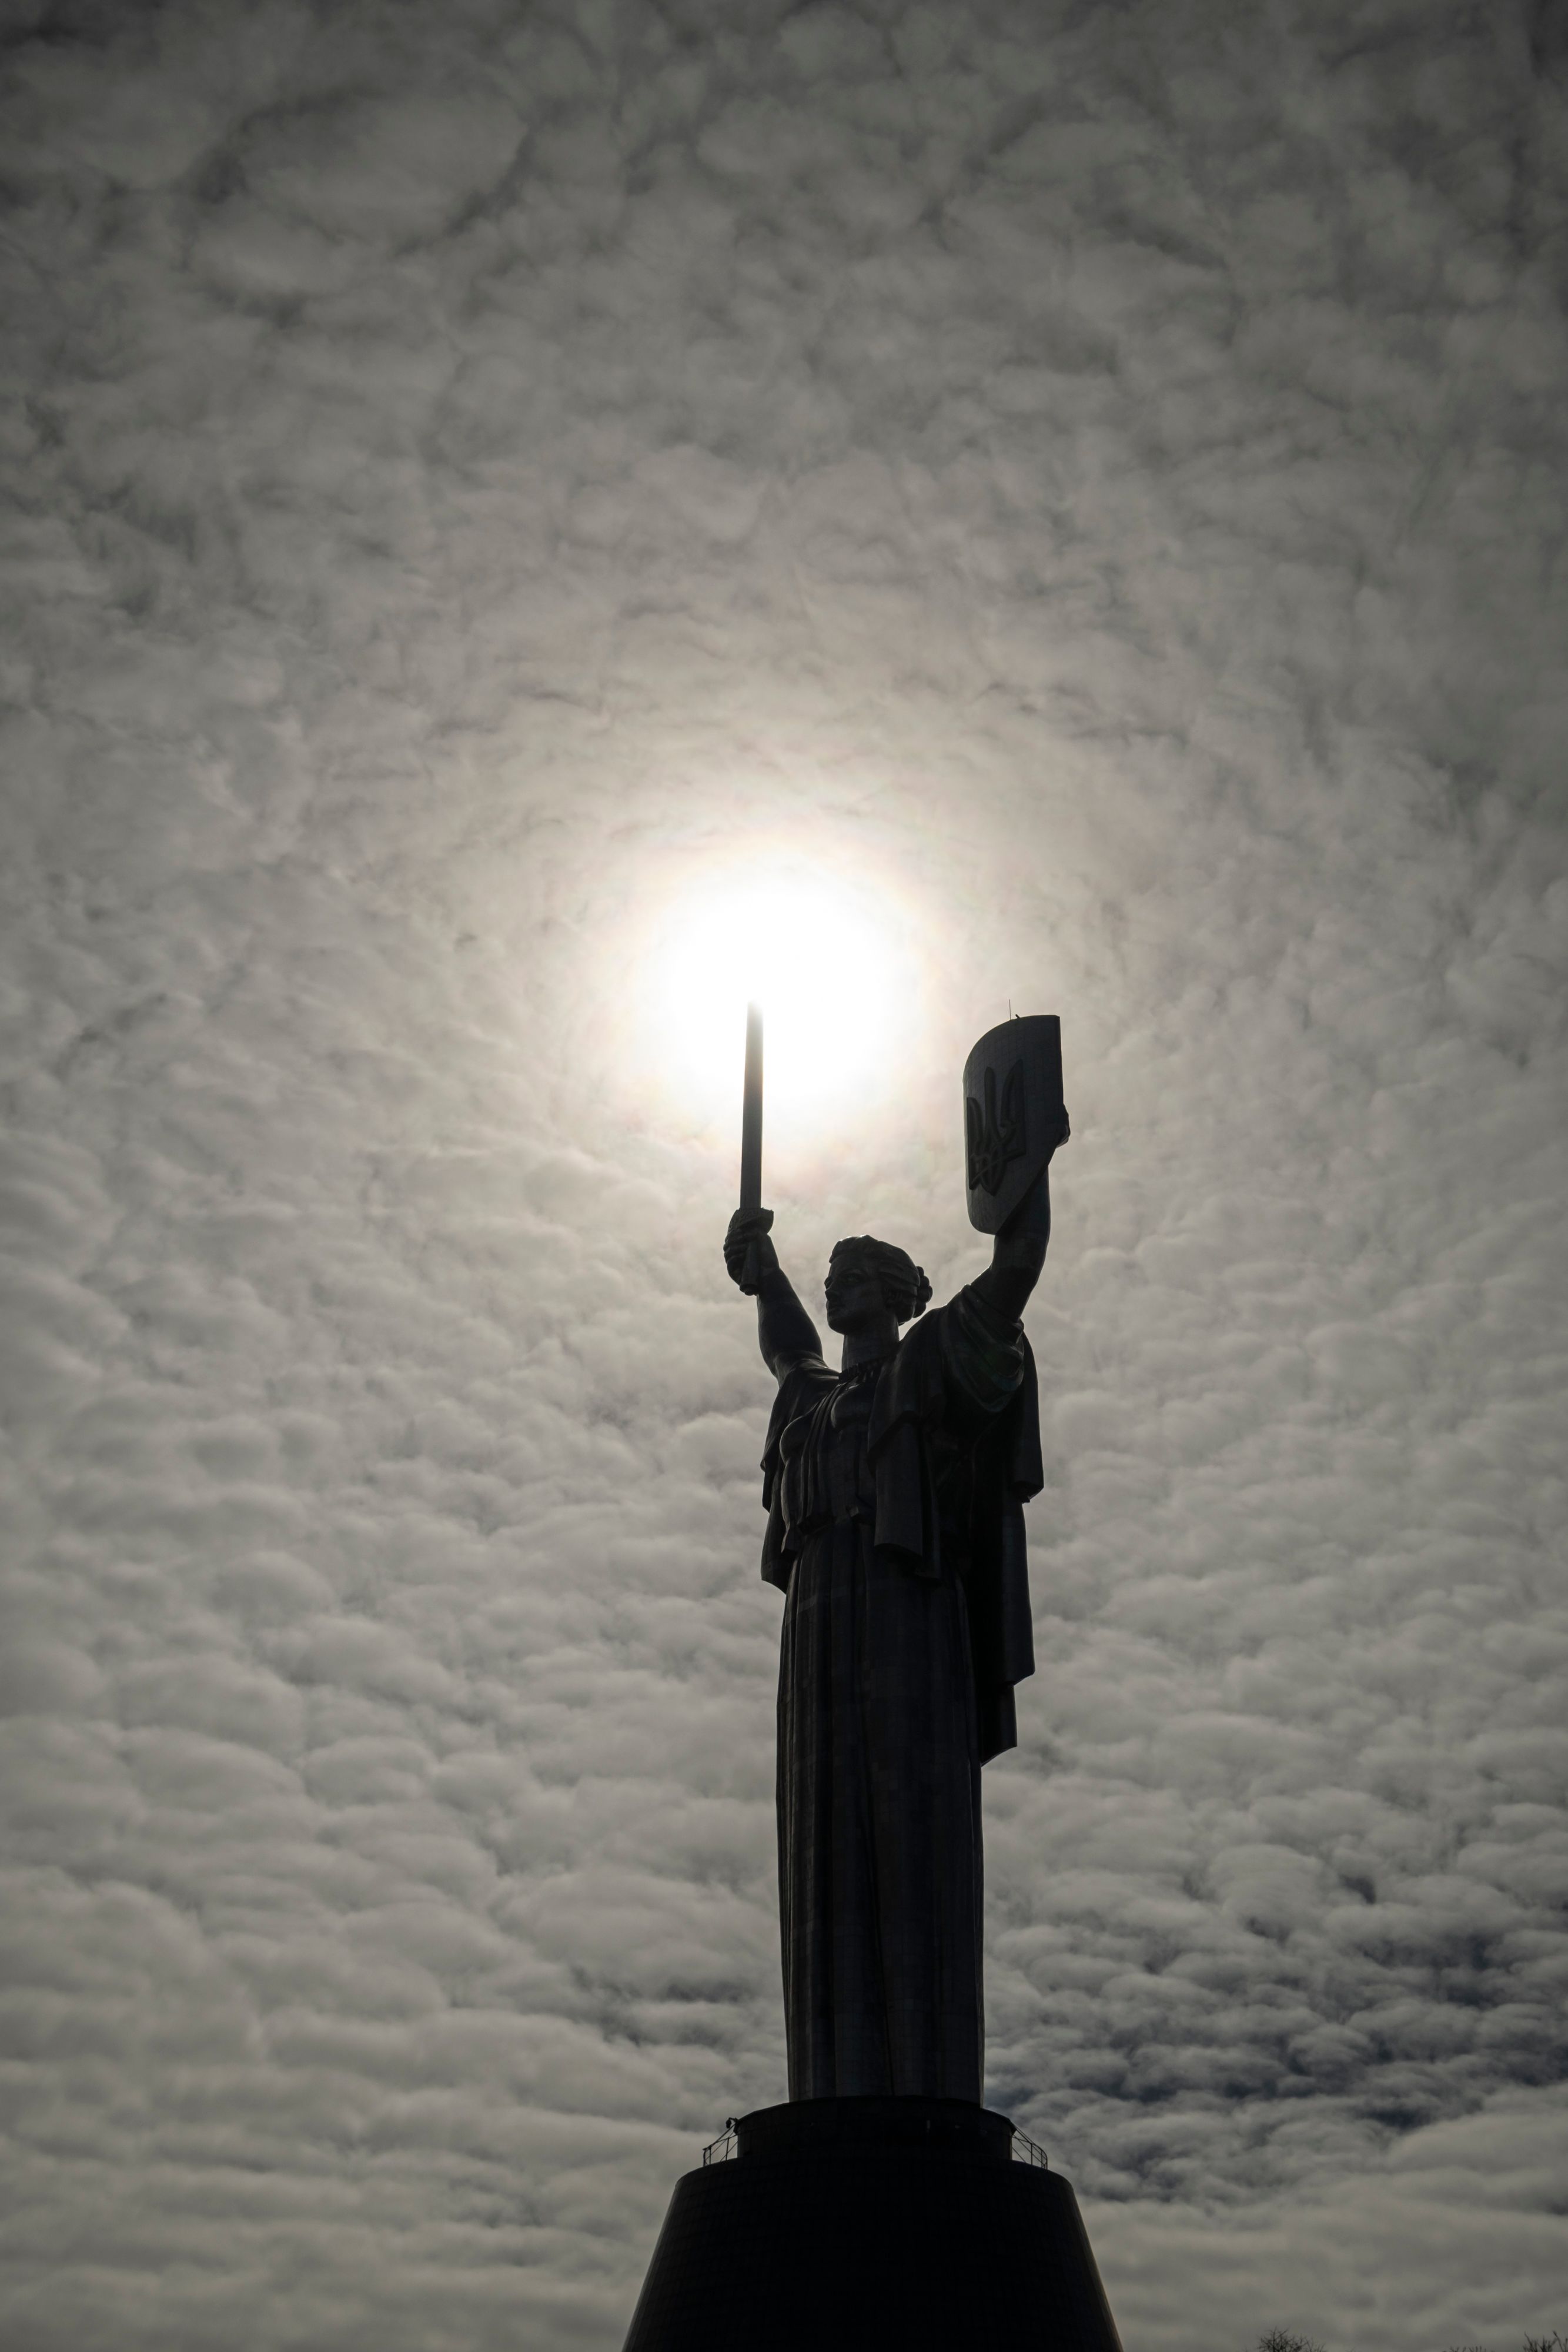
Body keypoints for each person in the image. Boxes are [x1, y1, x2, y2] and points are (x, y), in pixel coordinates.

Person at [723, 1113, 1065, 2104]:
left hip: (910, 1609)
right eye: (832, 1278)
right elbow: (787, 1353)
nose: (838, 1284)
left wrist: (1022, 1156)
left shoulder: (933, 1364)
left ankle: (924, 2094)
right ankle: (832, 2093)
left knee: (908, 1829)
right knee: (826, 1847)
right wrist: (767, 1272)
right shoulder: (811, 1402)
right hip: (819, 1625)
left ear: (903, 1293)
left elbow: (1020, 1264)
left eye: (856, 1271)